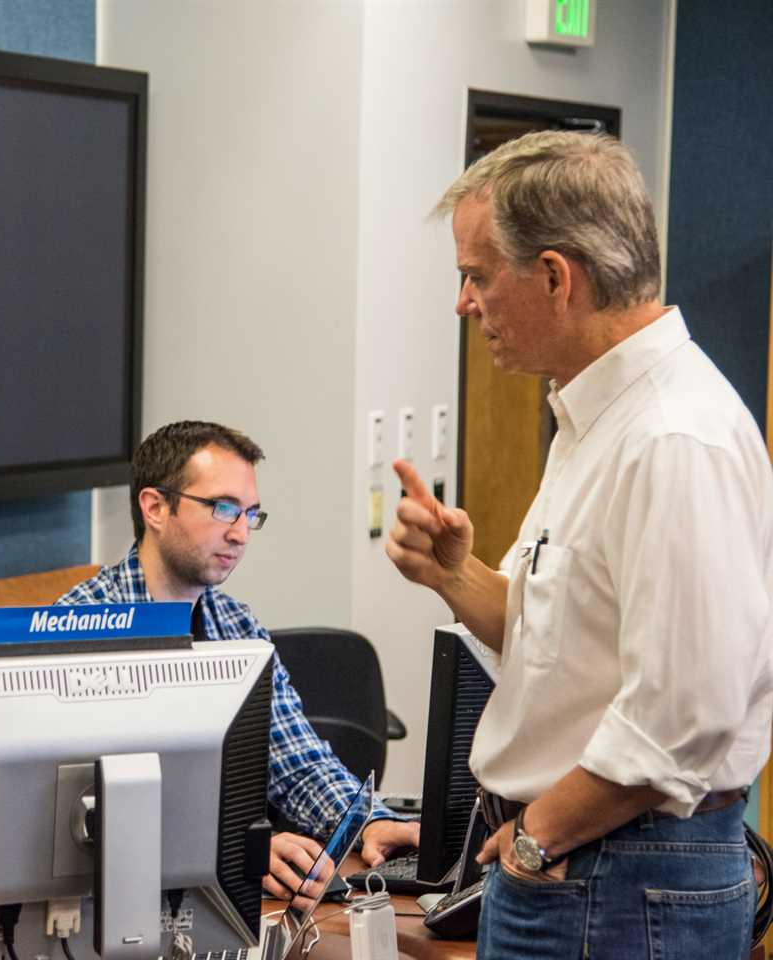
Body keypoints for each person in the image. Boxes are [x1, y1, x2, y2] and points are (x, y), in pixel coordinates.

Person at [385, 130, 773, 958]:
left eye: (477, 276)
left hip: (615, 871)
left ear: (557, 277)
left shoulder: (672, 436)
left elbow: (683, 717)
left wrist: (534, 840)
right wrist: (457, 578)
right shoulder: (594, 419)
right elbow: (562, 644)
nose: (465, 303)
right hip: (591, 866)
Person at [60, 420, 420, 906]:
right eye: (223, 508)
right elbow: (88, 808)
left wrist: (370, 820)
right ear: (154, 507)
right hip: (106, 903)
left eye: (251, 513)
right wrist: (237, 848)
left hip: (215, 906)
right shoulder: (81, 626)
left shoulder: (236, 625)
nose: (241, 533)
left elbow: (296, 763)